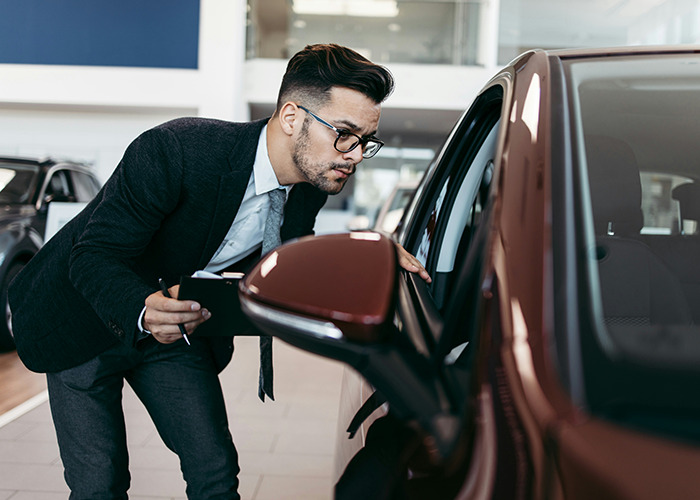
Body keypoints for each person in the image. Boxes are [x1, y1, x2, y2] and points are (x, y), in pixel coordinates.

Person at [8, 43, 430, 499]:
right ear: (292, 118)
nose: (354, 154)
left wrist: (364, 254)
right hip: (82, 317)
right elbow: (92, 255)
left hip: (175, 330)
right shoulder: (179, 149)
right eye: (345, 134)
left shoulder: (310, 187)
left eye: (365, 141)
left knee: (215, 470)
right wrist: (141, 312)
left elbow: (287, 262)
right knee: (100, 483)